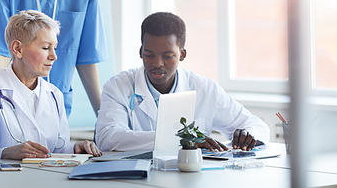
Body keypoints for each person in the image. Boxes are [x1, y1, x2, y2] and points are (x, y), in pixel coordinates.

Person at [95, 12, 270, 152]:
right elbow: (107, 137)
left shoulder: (205, 89)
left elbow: (257, 126)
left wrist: (248, 135)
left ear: (182, 55)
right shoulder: (118, 86)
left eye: (167, 56)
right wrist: (183, 140)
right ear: (140, 51)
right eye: (149, 55)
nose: (157, 63)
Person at [0, 10, 102, 160]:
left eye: (55, 48)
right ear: (17, 49)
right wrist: (5, 153)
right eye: (45, 48)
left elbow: (57, 150)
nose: (54, 56)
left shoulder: (54, 95)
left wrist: (76, 148)